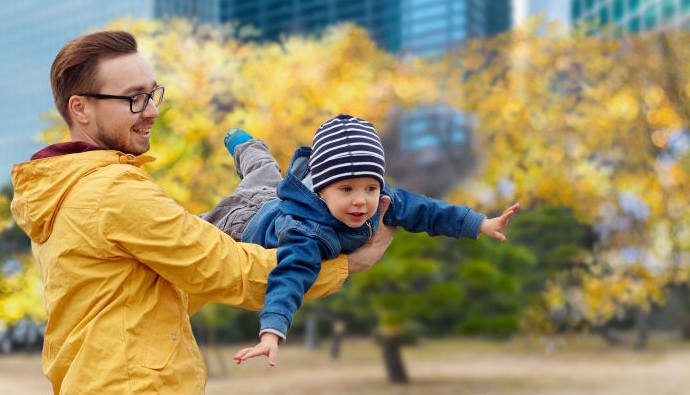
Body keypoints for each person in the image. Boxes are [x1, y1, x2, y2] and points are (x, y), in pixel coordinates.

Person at [9, 31, 395, 394]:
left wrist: (242, 222)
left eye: (152, 93)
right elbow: (226, 270)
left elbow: (165, 289)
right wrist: (346, 265)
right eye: (133, 98)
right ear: (81, 108)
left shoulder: (64, 189)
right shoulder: (112, 191)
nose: (152, 111)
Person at [203, 113, 519, 366]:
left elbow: (427, 210)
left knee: (265, 173)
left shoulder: (381, 201)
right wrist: (271, 332)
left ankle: (244, 143)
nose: (361, 202)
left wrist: (479, 223)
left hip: (280, 198)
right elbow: (289, 276)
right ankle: (241, 142)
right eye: (347, 190)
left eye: (370, 188)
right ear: (321, 190)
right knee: (225, 207)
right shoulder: (308, 233)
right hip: (247, 222)